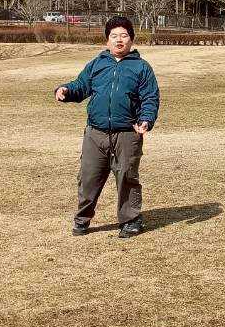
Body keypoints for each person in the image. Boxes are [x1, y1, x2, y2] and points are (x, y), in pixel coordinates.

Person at [54, 15, 159, 239]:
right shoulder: (97, 63)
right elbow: (81, 86)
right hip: (95, 133)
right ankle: (82, 219)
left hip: (127, 134)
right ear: (107, 40)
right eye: (114, 36)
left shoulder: (141, 68)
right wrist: (66, 90)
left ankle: (130, 221)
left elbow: (150, 98)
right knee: (88, 177)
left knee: (127, 178)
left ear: (131, 39)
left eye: (124, 35)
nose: (119, 40)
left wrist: (146, 119)